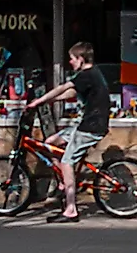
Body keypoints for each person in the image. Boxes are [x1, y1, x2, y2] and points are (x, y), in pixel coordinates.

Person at [26, 42, 113, 225]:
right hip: (85, 124)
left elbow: (64, 88)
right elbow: (71, 93)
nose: (70, 62)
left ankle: (71, 209)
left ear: (81, 59)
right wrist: (47, 101)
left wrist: (38, 101)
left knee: (67, 161)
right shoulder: (91, 75)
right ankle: (64, 183)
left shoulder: (87, 74)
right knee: (51, 142)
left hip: (90, 127)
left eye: (72, 59)